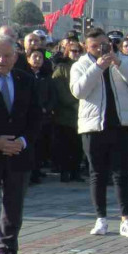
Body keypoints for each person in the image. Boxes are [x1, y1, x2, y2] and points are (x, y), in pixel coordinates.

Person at [70, 28, 128, 239]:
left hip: (120, 125)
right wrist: (97, 67)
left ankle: (126, 220)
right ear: (86, 47)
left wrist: (118, 63)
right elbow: (78, 91)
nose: (101, 49)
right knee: (97, 174)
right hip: (93, 127)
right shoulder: (80, 65)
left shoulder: (123, 61)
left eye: (104, 44)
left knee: (121, 174)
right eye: (94, 46)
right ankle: (101, 218)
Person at [0, 34, 42, 254]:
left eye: (6, 55)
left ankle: (7, 250)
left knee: (14, 205)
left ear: (16, 57)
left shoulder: (26, 80)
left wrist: (23, 141)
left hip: (19, 153)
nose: (1, 60)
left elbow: (36, 117)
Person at [52, 41, 85, 183]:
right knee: (65, 146)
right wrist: (73, 103)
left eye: (78, 51)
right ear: (67, 52)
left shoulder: (84, 67)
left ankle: (76, 172)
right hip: (65, 115)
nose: (76, 54)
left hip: (81, 115)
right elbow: (59, 89)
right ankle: (65, 172)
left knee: (78, 147)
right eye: (73, 51)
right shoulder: (61, 67)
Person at [25, 49, 56, 185]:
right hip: (27, 117)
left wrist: (46, 109)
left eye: (40, 57)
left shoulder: (47, 77)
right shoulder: (23, 76)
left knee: (40, 146)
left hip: (43, 118)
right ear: (28, 59)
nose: (37, 59)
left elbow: (53, 97)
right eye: (34, 57)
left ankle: (37, 171)